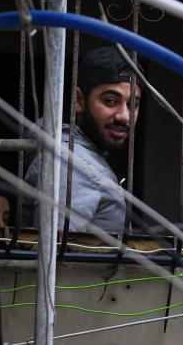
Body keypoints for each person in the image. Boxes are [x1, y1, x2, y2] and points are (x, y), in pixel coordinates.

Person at [25, 46, 141, 234]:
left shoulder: (88, 157)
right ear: (79, 101)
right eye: (110, 101)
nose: (124, 116)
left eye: (133, 105)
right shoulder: (71, 165)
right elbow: (56, 256)